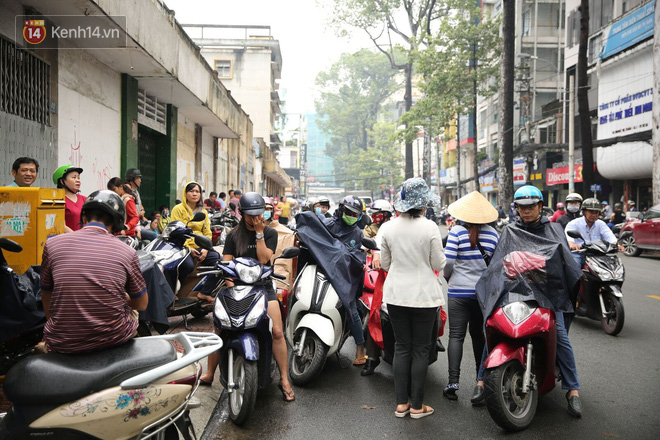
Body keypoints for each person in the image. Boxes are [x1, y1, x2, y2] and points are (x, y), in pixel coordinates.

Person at [199, 193, 295, 401]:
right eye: (251, 216)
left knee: (278, 332)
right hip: (237, 287)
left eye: (259, 214)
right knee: (219, 328)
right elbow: (226, 264)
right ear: (242, 214)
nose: (255, 219)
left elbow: (264, 258)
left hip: (263, 287)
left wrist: (259, 234)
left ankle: (284, 379)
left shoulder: (270, 233)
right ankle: (209, 373)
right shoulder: (233, 235)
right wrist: (231, 286)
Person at [497, 185, 583, 417]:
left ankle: (573, 390)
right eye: (521, 207)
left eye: (531, 206)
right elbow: (499, 263)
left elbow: (563, 263)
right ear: (516, 208)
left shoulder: (554, 229)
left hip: (549, 296)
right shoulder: (510, 231)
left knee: (561, 338)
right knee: (492, 325)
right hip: (516, 293)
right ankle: (482, 382)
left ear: (540, 207)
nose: (526, 211)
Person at [39, 190, 148, 353]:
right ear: (118, 222)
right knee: (134, 313)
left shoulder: (52, 244)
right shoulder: (127, 251)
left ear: (83, 218)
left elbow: (46, 293)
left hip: (61, 340)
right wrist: (124, 298)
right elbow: (142, 303)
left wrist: (54, 323)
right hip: (112, 338)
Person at [379, 178, 446, 419]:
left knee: (401, 347)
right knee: (420, 349)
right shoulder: (429, 227)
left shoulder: (387, 227)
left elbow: (385, 263)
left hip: (396, 294)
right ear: (423, 205)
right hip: (424, 297)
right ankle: (417, 406)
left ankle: (400, 404)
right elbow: (439, 263)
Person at [442, 192, 499, 405]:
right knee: (478, 336)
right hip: (481, 295)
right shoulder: (493, 234)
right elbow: (496, 266)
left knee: (456, 336)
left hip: (457, 292)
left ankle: (452, 384)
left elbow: (447, 262)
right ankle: (480, 381)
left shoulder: (456, 232)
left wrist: (449, 278)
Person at [321, 195, 368, 364]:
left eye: (355, 214)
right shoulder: (326, 225)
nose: (351, 216)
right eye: (349, 212)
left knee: (351, 307)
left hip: (344, 277)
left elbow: (358, 256)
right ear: (341, 210)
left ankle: (360, 348)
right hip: (322, 272)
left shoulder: (358, 233)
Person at [361, 199, 394, 376]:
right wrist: (374, 254)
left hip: (401, 278)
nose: (374, 216)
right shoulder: (375, 229)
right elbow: (372, 247)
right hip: (379, 273)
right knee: (376, 314)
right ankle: (371, 359)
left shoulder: (425, 228)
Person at [170, 181, 220, 300]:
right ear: (185, 193)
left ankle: (205, 292)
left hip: (201, 246)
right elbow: (175, 230)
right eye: (191, 191)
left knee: (220, 263)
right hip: (182, 246)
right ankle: (175, 291)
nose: (194, 194)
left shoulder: (203, 212)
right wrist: (189, 248)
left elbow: (207, 232)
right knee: (186, 265)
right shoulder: (178, 209)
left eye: (197, 191)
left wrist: (206, 249)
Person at [565, 198, 620, 269]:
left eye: (596, 212)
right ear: (584, 211)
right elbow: (569, 238)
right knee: (575, 268)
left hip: (598, 254)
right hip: (579, 254)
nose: (594, 215)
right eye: (591, 212)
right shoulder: (573, 223)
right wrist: (572, 244)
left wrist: (616, 244)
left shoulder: (601, 224)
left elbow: (609, 235)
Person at [53, 165, 85, 233]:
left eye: (78, 178)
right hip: (69, 241)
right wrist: (76, 238)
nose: (78, 180)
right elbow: (61, 225)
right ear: (62, 181)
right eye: (74, 177)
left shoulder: (85, 199)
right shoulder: (58, 200)